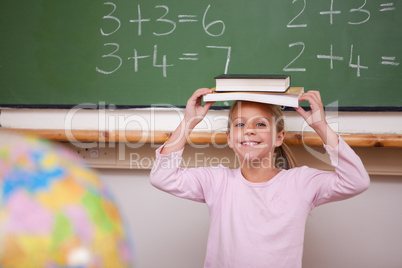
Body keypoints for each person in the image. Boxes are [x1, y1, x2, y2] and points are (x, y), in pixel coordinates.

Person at [150, 88, 370, 268]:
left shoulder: (300, 182)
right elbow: (162, 177)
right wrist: (189, 122)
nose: (249, 131)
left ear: (279, 137)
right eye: (240, 124)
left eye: (261, 124)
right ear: (229, 138)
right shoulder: (217, 181)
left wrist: (321, 127)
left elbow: (356, 181)